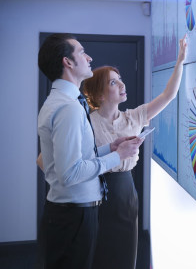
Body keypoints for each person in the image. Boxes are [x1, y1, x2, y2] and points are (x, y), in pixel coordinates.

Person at [37, 33, 143, 269]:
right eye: (82, 52)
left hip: (69, 214)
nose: (89, 57)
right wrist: (117, 156)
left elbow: (74, 158)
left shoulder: (63, 102)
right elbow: (70, 173)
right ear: (68, 62)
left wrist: (109, 148)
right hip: (73, 217)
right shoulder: (69, 108)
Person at [81, 35, 187, 269]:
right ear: (99, 95)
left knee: (125, 253)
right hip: (95, 192)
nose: (122, 85)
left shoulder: (134, 117)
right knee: (99, 254)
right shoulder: (87, 122)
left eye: (120, 80)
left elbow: (168, 95)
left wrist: (180, 61)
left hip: (126, 192)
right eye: (113, 83)